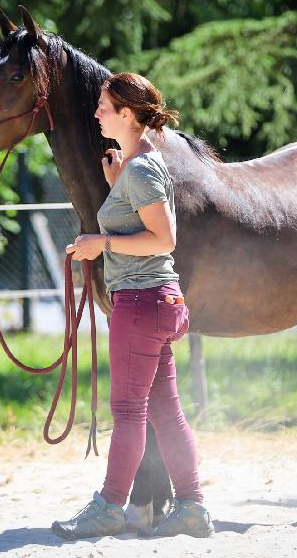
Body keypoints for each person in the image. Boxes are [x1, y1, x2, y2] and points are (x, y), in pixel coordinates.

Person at [52, 73, 213, 540]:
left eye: (104, 107)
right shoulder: (140, 165)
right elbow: (144, 219)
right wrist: (117, 183)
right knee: (165, 411)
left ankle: (108, 507)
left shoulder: (142, 169)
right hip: (157, 300)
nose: (97, 113)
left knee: (127, 410)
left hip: (140, 302)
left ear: (126, 114)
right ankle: (191, 506)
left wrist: (99, 242)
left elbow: (163, 238)